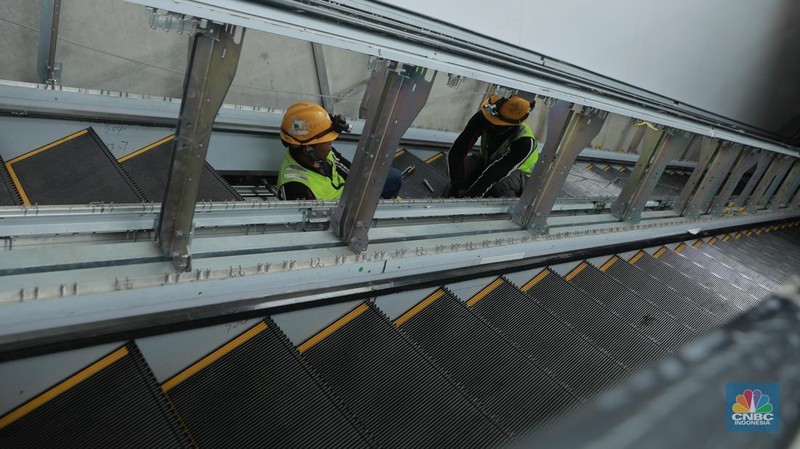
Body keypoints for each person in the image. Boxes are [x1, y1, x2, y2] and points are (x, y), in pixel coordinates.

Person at [276, 102, 402, 200]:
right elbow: (312, 224)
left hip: (349, 198)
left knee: (391, 177)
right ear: (307, 148)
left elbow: (352, 174)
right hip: (339, 218)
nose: (331, 145)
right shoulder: (295, 187)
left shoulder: (320, 154)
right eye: (328, 141)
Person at [446, 95, 539, 198]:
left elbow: (494, 173)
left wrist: (469, 198)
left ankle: (504, 212)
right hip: (488, 163)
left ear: (512, 124)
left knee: (499, 186)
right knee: (463, 168)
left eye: (497, 124)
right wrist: (459, 187)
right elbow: (457, 152)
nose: (490, 125)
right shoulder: (483, 117)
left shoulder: (524, 141)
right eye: (490, 120)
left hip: (519, 175)